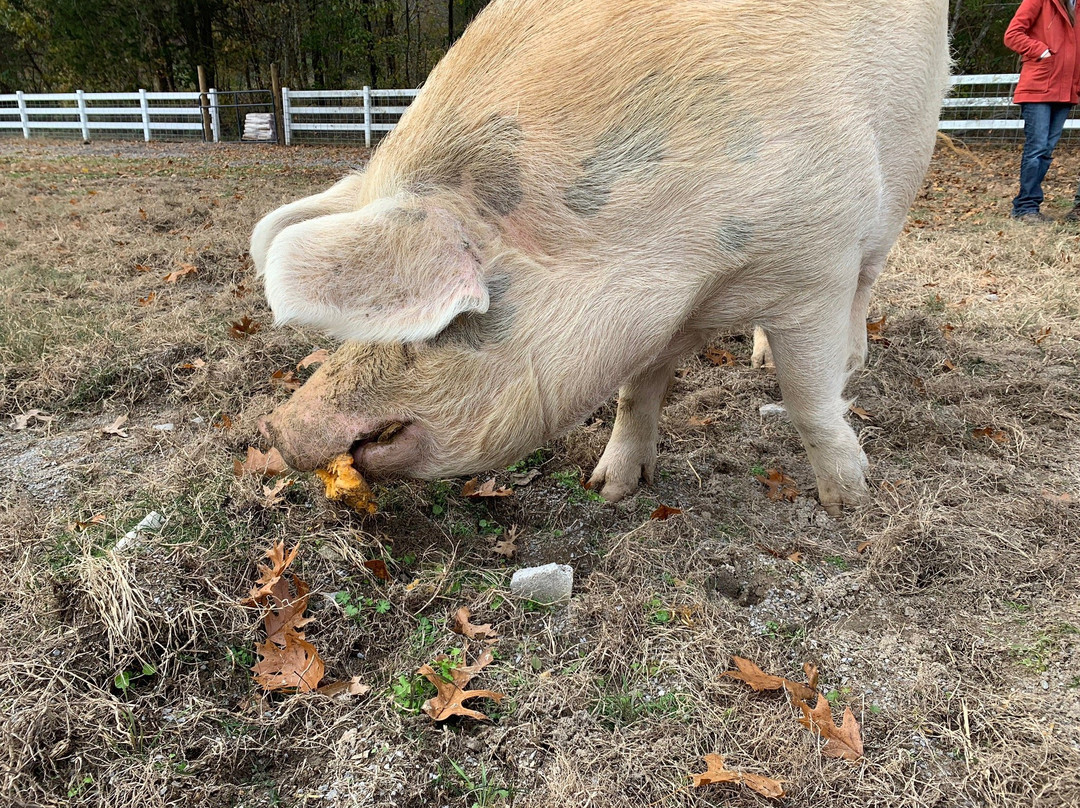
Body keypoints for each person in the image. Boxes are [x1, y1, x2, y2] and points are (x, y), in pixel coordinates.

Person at [1004, 0, 1080, 222]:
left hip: (1066, 89)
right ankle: (1025, 208)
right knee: (1036, 149)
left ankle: (1029, 205)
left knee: (1046, 151)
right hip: (1038, 85)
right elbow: (1012, 34)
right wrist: (1040, 50)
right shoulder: (1039, 1)